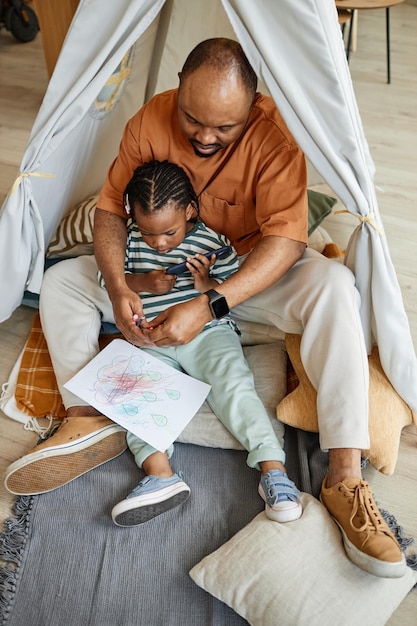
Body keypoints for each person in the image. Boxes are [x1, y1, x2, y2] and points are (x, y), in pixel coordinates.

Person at [4, 38, 405, 577]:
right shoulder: (150, 119)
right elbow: (108, 212)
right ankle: (89, 417)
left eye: (225, 128)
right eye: (194, 121)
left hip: (245, 279)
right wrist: (122, 285)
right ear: (177, 89)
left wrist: (211, 303)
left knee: (334, 285)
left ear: (252, 107)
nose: (206, 137)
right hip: (158, 281)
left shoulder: (277, 138)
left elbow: (285, 243)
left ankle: (343, 474)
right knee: (59, 282)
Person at [101, 159, 301, 527]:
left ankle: (274, 471)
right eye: (148, 234)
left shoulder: (212, 241)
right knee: (137, 396)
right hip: (151, 338)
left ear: (190, 210)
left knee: (234, 387)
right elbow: (110, 283)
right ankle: (160, 476)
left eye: (168, 232)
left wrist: (205, 283)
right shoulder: (129, 239)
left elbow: (232, 294)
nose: (158, 243)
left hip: (207, 334)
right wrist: (145, 283)